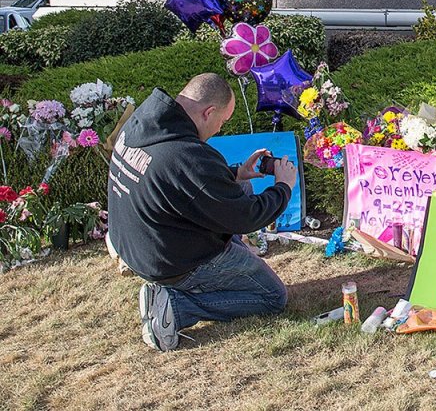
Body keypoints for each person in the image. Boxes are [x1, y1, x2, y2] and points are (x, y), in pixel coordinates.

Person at [107, 73, 298, 352]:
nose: (219, 130)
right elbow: (247, 218)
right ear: (208, 112)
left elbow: (178, 183)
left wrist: (236, 174)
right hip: (170, 262)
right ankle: (176, 306)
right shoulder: (186, 155)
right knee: (272, 297)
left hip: (139, 243)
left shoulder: (143, 123)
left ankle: (177, 289)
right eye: (221, 122)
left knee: (241, 188)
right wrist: (283, 187)